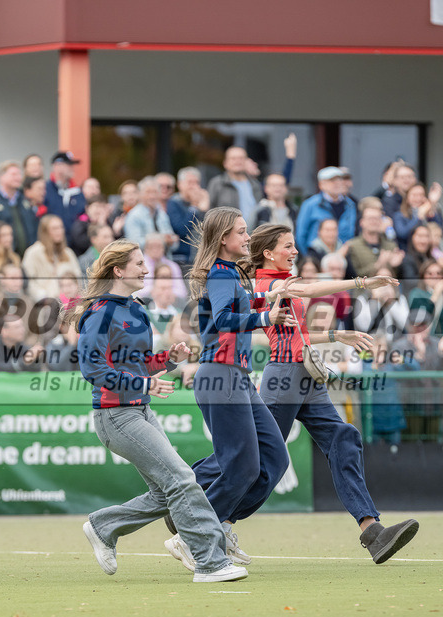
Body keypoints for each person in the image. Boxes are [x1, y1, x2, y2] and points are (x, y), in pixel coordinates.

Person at [71, 239, 246, 582]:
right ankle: (210, 562)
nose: (145, 269)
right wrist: (143, 384)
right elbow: (92, 370)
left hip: (140, 411)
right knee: (181, 479)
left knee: (167, 491)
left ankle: (103, 525)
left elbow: (138, 363)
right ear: (117, 271)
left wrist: (167, 359)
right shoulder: (100, 313)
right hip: (115, 416)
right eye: (138, 264)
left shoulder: (137, 308)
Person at [248, 223, 419, 562]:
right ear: (268, 253)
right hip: (284, 376)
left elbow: (298, 334)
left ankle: (373, 531)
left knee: (343, 437)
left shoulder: (281, 282)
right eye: (287, 246)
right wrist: (362, 283)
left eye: (294, 245)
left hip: (304, 376)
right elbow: (313, 289)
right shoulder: (271, 283)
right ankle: (194, 499)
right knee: (256, 457)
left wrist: (337, 336)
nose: (295, 251)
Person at [183, 207, 294, 565]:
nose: (248, 237)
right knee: (243, 467)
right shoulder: (219, 273)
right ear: (223, 239)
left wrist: (267, 300)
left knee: (274, 459)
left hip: (237, 377)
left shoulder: (230, 272)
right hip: (221, 375)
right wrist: (265, 316)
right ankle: (195, 534)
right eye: (242, 231)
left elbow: (239, 305)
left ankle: (219, 525)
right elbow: (223, 318)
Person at [20, 215, 81, 301]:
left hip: (70, 302)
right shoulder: (33, 253)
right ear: (45, 231)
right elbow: (28, 282)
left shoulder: (68, 253)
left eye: (61, 227)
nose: (59, 231)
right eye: (55, 228)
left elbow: (78, 277)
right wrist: (43, 296)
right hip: (45, 303)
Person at [296, 166, 356, 250]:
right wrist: (308, 256)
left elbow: (351, 233)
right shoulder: (310, 204)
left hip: (342, 254)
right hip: (317, 254)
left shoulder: (350, 205)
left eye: (339, 179)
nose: (337, 183)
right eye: (332, 180)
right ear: (321, 185)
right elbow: (301, 235)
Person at [207, 147, 262, 219]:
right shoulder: (217, 183)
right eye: (233, 158)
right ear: (225, 163)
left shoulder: (255, 184)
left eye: (241, 158)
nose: (237, 161)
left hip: (254, 226)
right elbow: (210, 211)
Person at [123, 176, 176, 251]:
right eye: (148, 192)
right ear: (140, 194)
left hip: (164, 257)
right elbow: (134, 244)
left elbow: (175, 245)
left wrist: (172, 241)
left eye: (155, 192)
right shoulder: (134, 216)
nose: (152, 196)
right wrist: (162, 240)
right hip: (143, 257)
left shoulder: (162, 214)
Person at [391, 182, 443, 250]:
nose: (418, 198)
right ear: (407, 198)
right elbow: (402, 234)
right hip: (408, 252)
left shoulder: (430, 213)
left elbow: (441, 231)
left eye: (421, 195)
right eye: (414, 195)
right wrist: (419, 216)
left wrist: (432, 205)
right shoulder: (399, 215)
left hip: (429, 252)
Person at [44, 151, 85, 230]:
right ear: (57, 166)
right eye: (69, 165)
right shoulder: (45, 190)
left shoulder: (77, 192)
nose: (72, 168)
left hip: (74, 237)